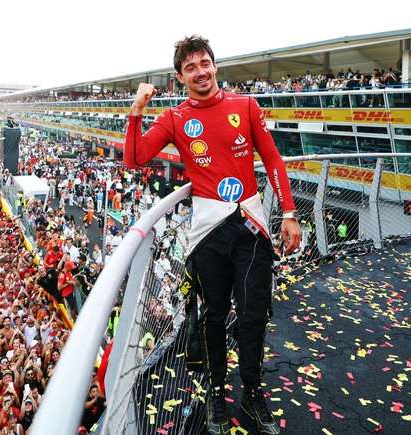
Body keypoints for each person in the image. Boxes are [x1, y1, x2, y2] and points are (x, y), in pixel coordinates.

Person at [123, 35, 300, 435]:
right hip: (207, 235)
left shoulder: (246, 106)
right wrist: (137, 111)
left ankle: (253, 390)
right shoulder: (174, 117)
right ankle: (217, 392)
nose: (200, 72)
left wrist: (289, 211)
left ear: (215, 66)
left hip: (251, 227)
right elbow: (134, 158)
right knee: (213, 317)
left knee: (254, 315)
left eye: (205, 63)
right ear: (179, 76)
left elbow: (272, 158)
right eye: (191, 67)